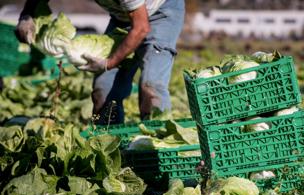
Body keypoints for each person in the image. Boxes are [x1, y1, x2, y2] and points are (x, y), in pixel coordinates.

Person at [16, 0, 185, 124]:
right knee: (103, 89)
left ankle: (157, 147)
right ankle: (110, 146)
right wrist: (27, 15)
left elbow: (141, 28)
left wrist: (108, 63)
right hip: (123, 18)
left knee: (151, 85)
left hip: (162, 13)